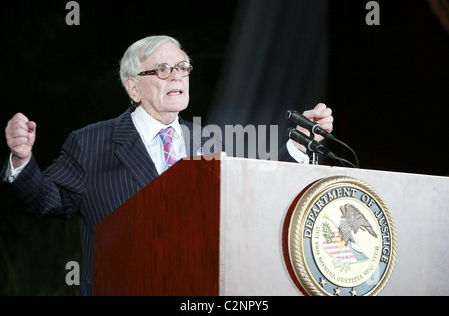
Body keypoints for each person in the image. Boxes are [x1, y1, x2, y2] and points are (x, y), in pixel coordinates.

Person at [1, 35, 333, 295]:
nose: (177, 76)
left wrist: (299, 143)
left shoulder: (212, 141)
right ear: (134, 87)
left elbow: (256, 199)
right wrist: (22, 160)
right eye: (163, 69)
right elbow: (47, 200)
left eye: (183, 67)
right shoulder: (90, 142)